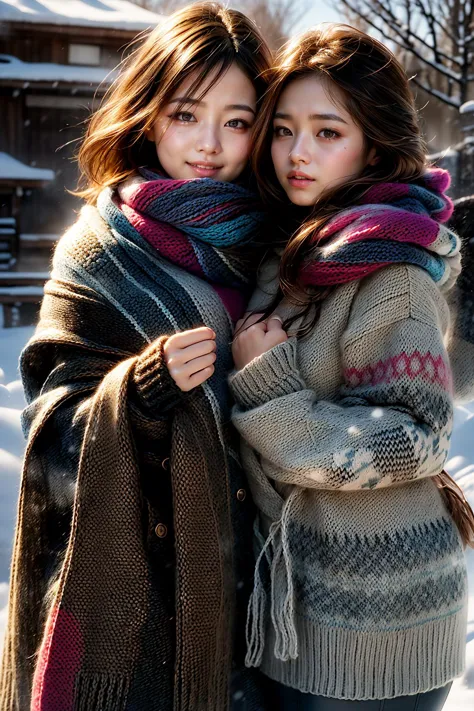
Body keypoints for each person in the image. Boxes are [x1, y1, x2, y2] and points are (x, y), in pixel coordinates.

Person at [0, 4, 273, 710]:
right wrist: (139, 393)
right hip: (144, 596)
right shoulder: (97, 252)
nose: (210, 143)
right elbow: (51, 441)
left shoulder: (279, 247)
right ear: (150, 113)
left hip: (272, 596)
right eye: (186, 113)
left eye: (238, 121)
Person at [230, 24, 473, 711]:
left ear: (374, 144)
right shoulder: (296, 259)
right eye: (282, 129)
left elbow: (416, 439)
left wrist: (271, 388)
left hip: (381, 630)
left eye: (326, 131)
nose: (296, 153)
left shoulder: (392, 279)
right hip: (301, 617)